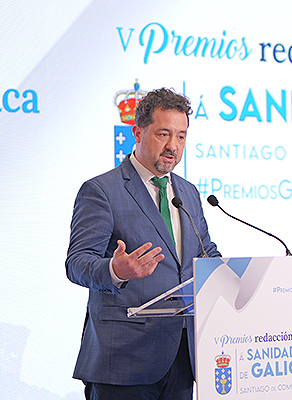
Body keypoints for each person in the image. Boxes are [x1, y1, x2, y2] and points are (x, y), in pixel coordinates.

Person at [66, 87, 220, 400]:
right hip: (122, 362)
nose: (173, 146)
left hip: (180, 359)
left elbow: (205, 254)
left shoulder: (188, 193)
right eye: (163, 134)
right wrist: (115, 269)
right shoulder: (101, 190)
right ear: (137, 132)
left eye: (181, 136)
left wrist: (244, 275)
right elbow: (77, 263)